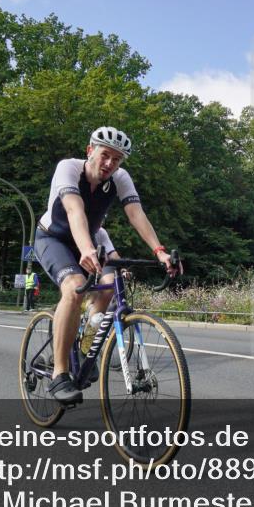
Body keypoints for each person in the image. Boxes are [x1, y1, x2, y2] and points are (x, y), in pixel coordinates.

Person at [35, 126, 181, 404]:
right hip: (53, 238)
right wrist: (87, 248)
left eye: (117, 159)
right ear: (90, 151)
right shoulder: (68, 169)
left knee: (109, 287)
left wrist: (159, 251)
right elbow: (74, 211)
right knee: (75, 287)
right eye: (105, 155)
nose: (109, 164)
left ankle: (85, 347)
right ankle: (59, 374)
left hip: (88, 241)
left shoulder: (120, 178)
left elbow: (136, 214)